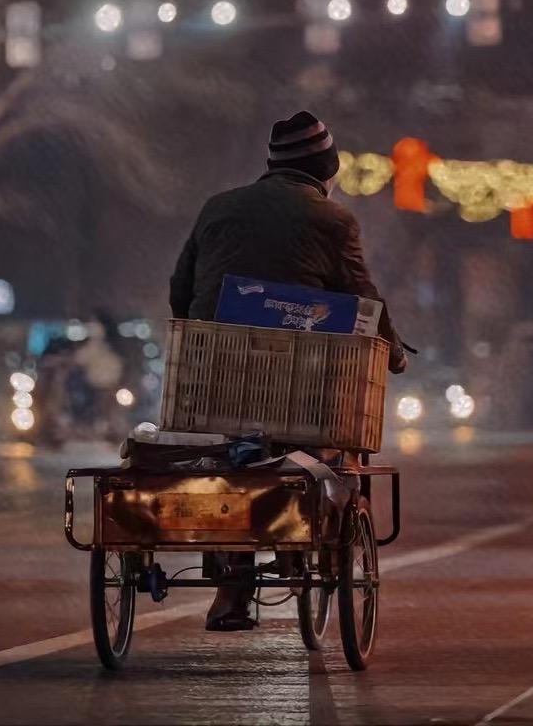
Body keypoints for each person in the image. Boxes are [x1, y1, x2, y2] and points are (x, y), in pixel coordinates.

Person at [169, 110, 407, 631]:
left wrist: (205, 332)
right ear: (326, 169)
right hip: (300, 379)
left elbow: (180, 289)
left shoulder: (218, 206)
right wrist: (393, 351)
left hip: (219, 375)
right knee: (319, 449)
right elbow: (362, 298)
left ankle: (232, 587)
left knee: (233, 461)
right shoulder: (332, 220)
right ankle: (299, 539)